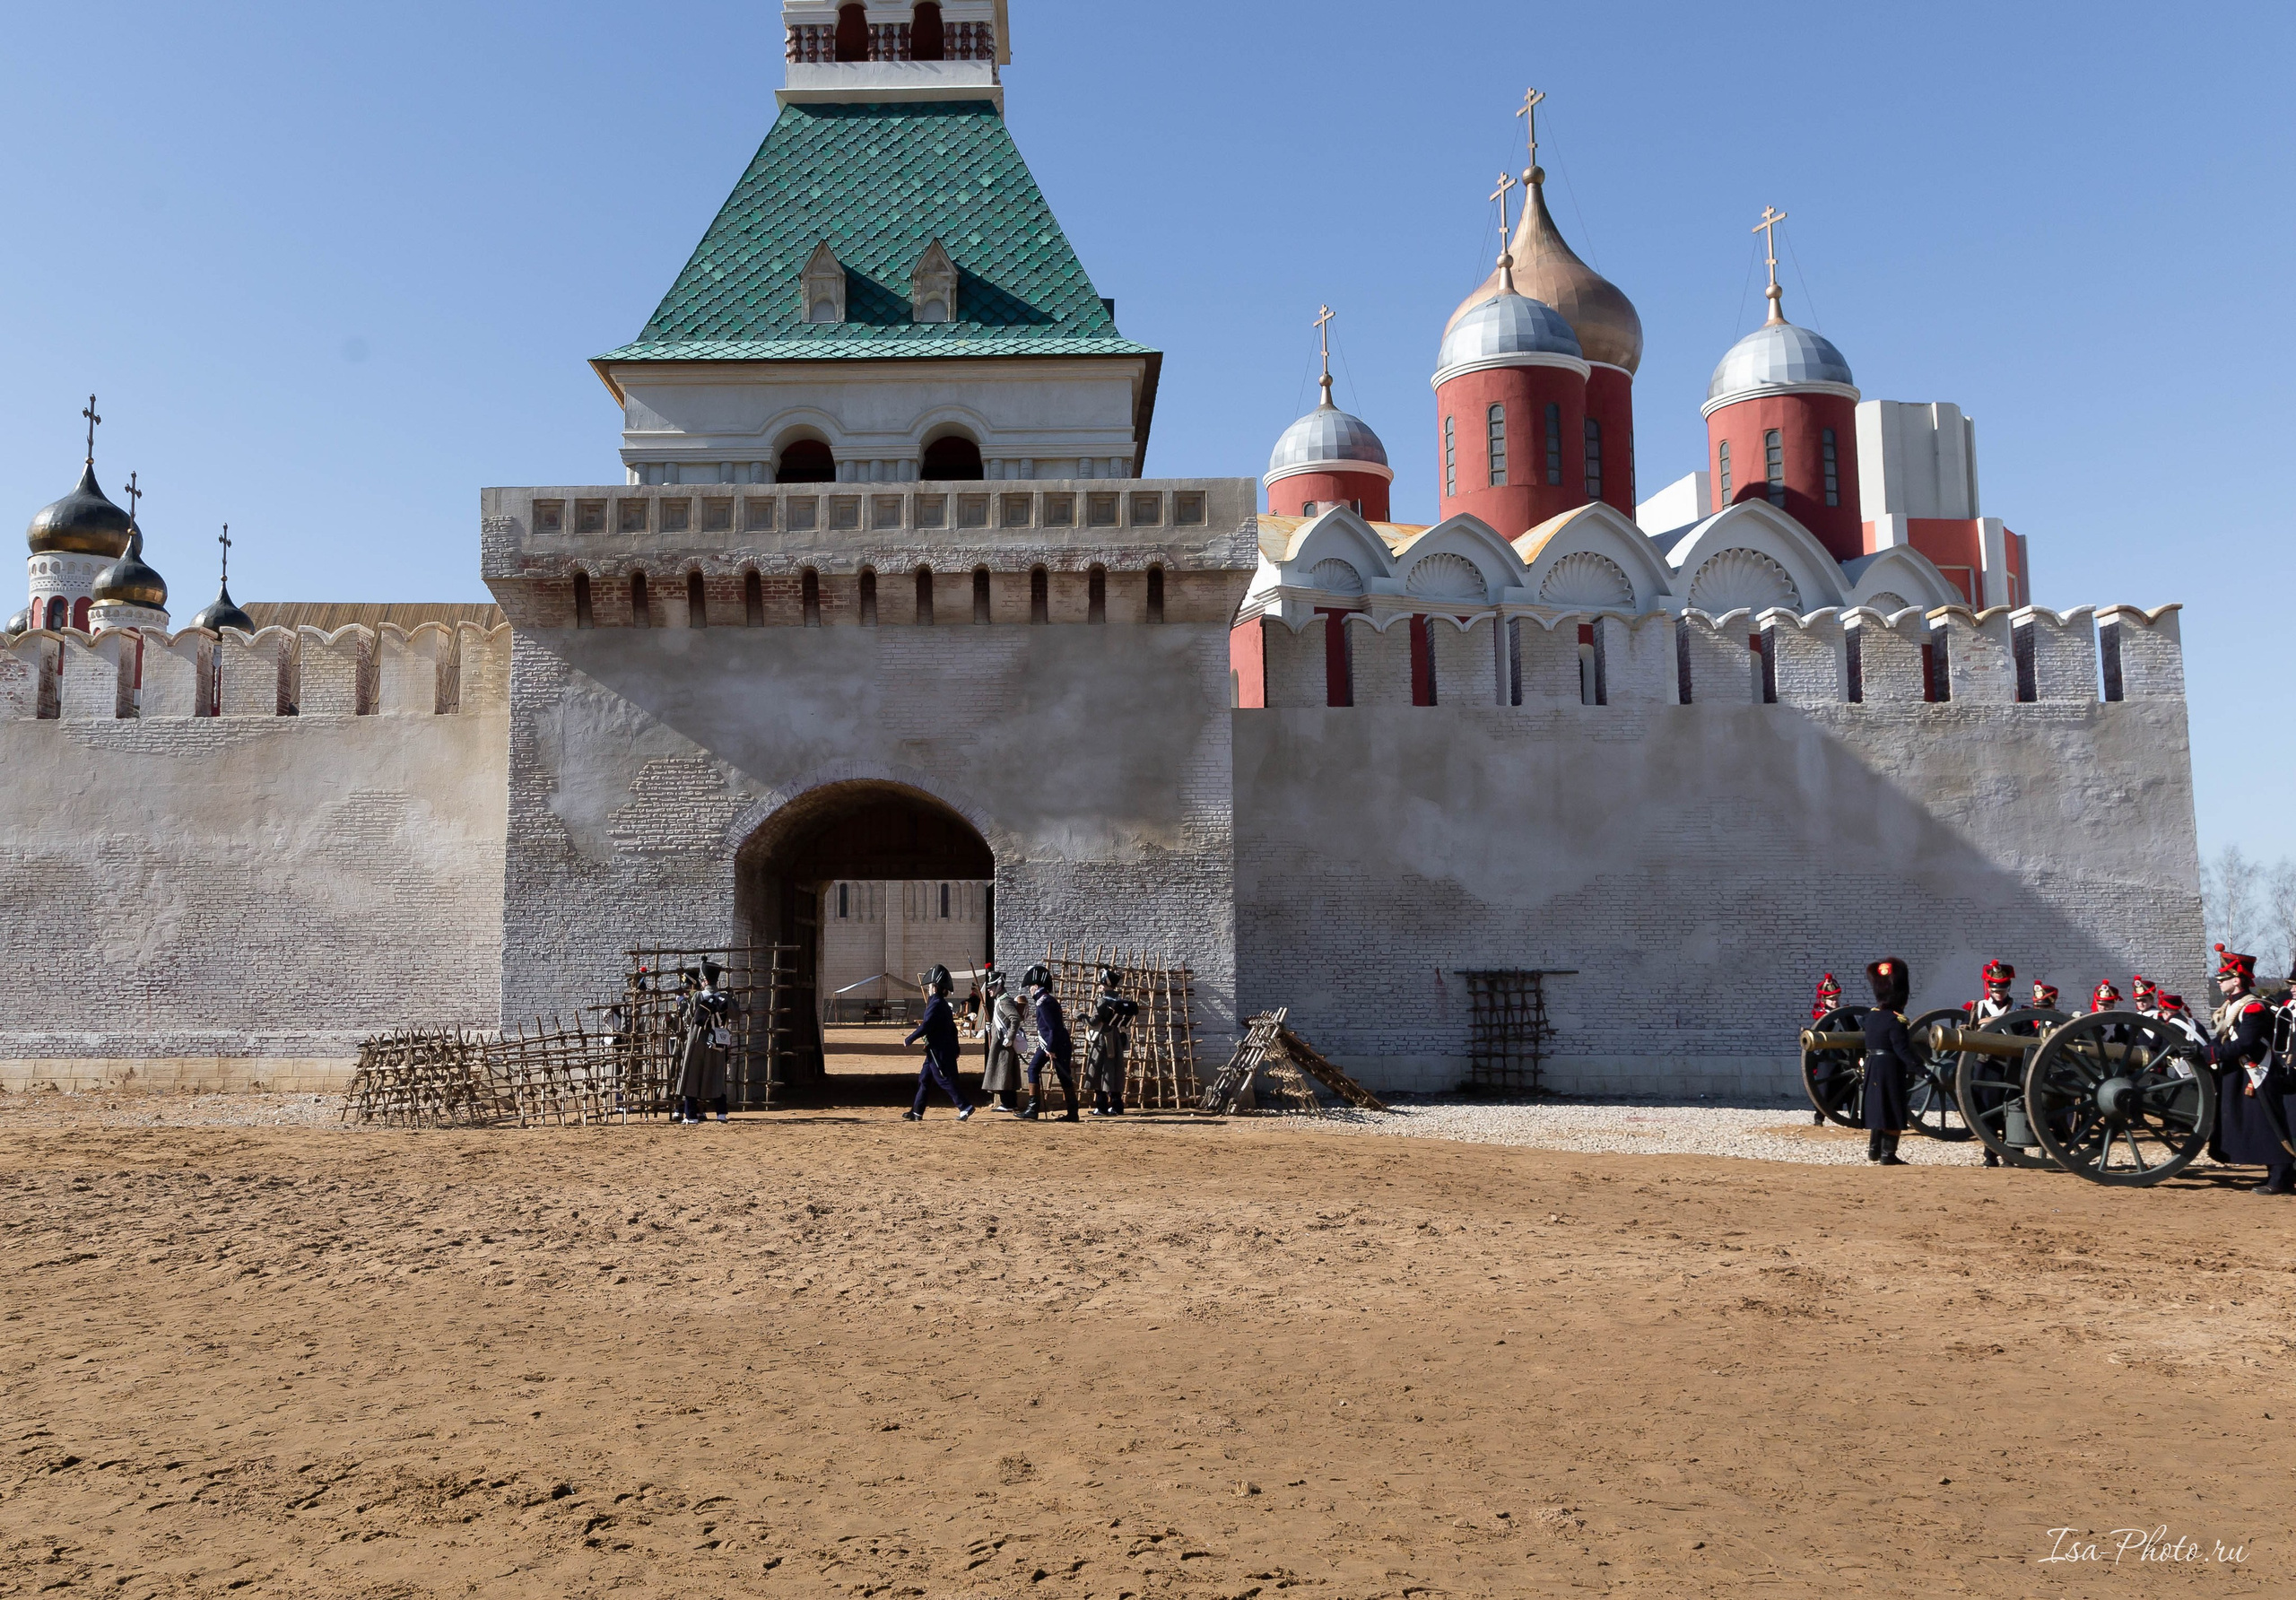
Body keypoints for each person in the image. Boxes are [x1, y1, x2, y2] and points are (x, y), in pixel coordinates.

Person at [2197, 946, 2294, 1196]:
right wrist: (2203, 1051)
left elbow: (2245, 1044)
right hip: (2240, 1073)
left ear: (2237, 980)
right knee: (2254, 1124)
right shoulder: (2233, 1005)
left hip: (2256, 1072)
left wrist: (2211, 1055)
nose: (2219, 982)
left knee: (2268, 1124)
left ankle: (2281, 1178)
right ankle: (2277, 1175)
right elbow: (2224, 1038)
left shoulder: (2253, 1007)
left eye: (2223, 978)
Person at [1861, 957, 1922, 1166]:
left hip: (1872, 1065)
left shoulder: (1870, 1017)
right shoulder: (1897, 1021)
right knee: (1894, 1109)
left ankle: (1874, 1150)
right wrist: (1922, 1069)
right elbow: (1902, 1050)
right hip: (1890, 1067)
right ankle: (1888, 1154)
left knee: (1878, 1107)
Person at [902, 964, 975, 1122]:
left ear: (935, 988)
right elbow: (952, 1029)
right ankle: (917, 1111)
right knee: (924, 1079)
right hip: (935, 1049)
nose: (928, 989)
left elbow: (926, 1025)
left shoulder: (936, 1004)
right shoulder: (940, 1003)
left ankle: (965, 1106)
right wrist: (956, 1047)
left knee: (943, 1078)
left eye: (930, 986)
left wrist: (910, 1039)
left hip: (938, 1049)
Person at [1962, 962, 2017, 1167]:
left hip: (2010, 1066)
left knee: (2011, 1110)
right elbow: (1968, 1032)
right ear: (1989, 988)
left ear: (2008, 988)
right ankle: (1990, 1155)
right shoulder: (1978, 1008)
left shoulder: (2018, 1009)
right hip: (1985, 1065)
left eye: (2002, 989)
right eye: (1995, 989)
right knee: (1986, 1110)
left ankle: (2011, 1155)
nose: (1999, 993)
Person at [670, 964, 731, 1126]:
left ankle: (691, 1115)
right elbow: (733, 1015)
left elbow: (689, 1017)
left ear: (705, 981)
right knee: (717, 1076)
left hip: (698, 1039)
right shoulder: (724, 997)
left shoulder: (698, 996)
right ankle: (721, 1114)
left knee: (692, 1076)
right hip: (717, 1040)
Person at [1017, 962, 1078, 1122]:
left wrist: (1050, 1048)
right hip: (1048, 1043)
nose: (1029, 990)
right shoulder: (1045, 1000)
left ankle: (1072, 1112)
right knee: (1033, 1069)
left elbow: (1053, 1028)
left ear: (1036, 986)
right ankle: (1032, 1109)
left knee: (1063, 1075)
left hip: (1055, 1044)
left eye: (1030, 987)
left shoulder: (1043, 1002)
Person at [1083, 967, 1141, 1117]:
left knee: (1098, 1072)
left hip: (1102, 1040)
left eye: (1101, 984)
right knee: (1113, 1072)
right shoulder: (1119, 1000)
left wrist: (1080, 1016)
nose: (1099, 986)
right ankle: (1117, 1106)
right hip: (1116, 1039)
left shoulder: (1102, 1000)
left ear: (1104, 985)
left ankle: (1101, 1107)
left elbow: (1094, 1021)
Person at [980, 971, 1026, 1111]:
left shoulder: (1004, 1001)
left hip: (1003, 1043)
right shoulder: (1001, 1000)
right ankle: (1010, 1103)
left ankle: (1008, 1104)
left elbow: (1015, 1019)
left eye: (992, 987)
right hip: (1000, 1042)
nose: (989, 989)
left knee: (1003, 1072)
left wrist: (1010, 1038)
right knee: (1005, 1072)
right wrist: (991, 1027)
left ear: (999, 986)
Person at [1809, 973, 1844, 1125]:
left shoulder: (1843, 1013)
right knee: (1824, 1086)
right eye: (1832, 999)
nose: (1835, 1002)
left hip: (1844, 1054)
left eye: (1836, 998)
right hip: (1828, 1055)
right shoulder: (1821, 1017)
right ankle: (1819, 1116)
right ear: (1824, 1001)